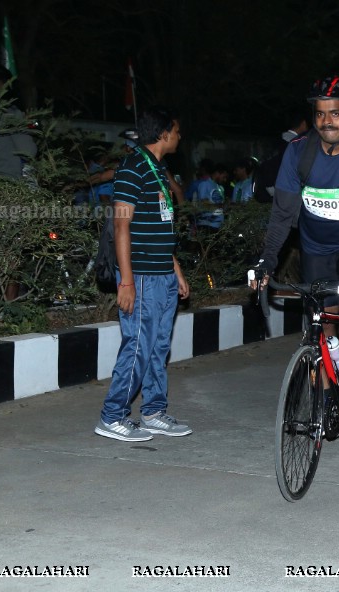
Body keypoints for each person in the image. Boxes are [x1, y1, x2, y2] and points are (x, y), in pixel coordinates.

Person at [252, 76, 339, 417]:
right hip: (315, 244)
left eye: (335, 114)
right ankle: (328, 389)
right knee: (320, 317)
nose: (326, 121)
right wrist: (267, 261)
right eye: (319, 114)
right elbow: (283, 213)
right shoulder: (299, 152)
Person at [94, 107, 191, 442]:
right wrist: (126, 281)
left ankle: (152, 411)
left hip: (162, 274)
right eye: (176, 130)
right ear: (163, 133)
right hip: (141, 277)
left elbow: (160, 226)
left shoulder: (158, 169)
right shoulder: (133, 168)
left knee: (158, 346)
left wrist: (175, 269)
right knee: (137, 346)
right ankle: (112, 416)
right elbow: (122, 225)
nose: (180, 136)